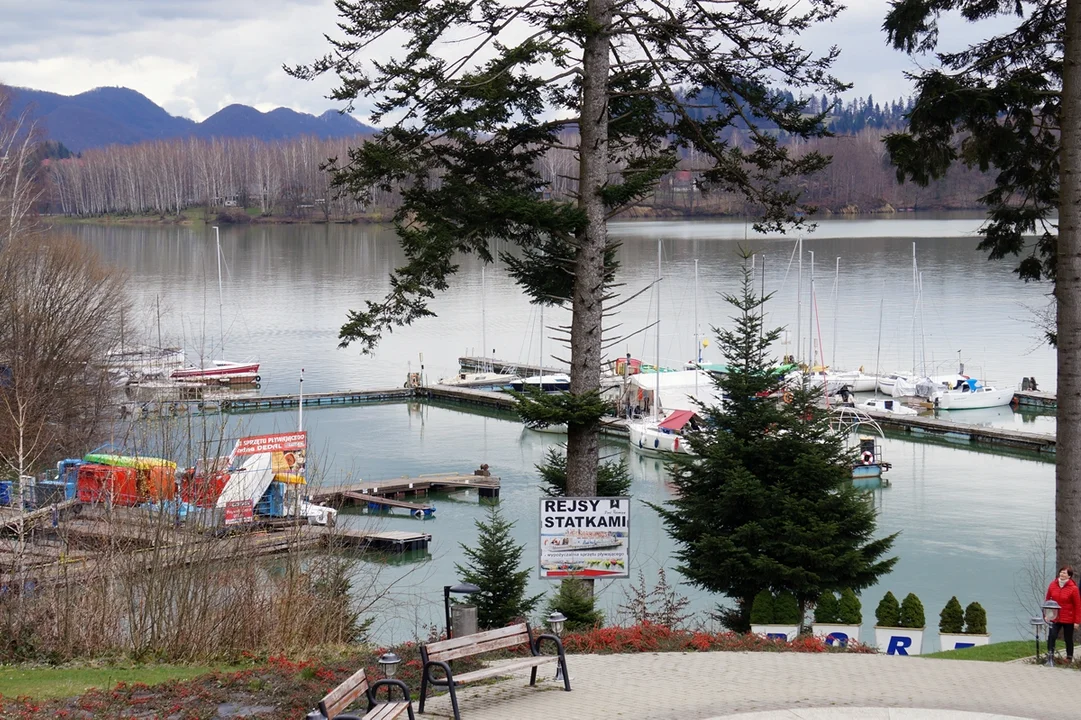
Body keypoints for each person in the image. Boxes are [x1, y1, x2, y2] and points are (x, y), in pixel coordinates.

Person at [1045, 566, 1081, 664]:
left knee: (1068, 638)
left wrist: (1077, 621)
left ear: (1069, 576)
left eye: (1065, 573)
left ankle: (1069, 657)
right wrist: (1047, 615)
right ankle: (1050, 655)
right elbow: (1048, 600)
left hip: (1068, 618)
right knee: (1052, 636)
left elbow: (1078, 606)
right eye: (1061, 572)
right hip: (1054, 616)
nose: (1062, 574)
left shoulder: (1073, 588)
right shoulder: (1053, 585)